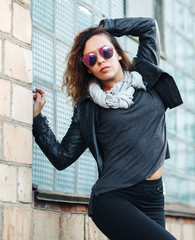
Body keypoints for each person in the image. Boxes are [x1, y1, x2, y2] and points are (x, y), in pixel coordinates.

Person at [32, 17, 183, 240]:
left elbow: (149, 26)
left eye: (106, 51)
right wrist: (37, 119)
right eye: (91, 58)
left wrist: (104, 27)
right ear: (88, 69)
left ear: (119, 53)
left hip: (153, 196)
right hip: (113, 198)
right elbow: (62, 157)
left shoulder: (145, 77)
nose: (101, 60)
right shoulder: (89, 109)